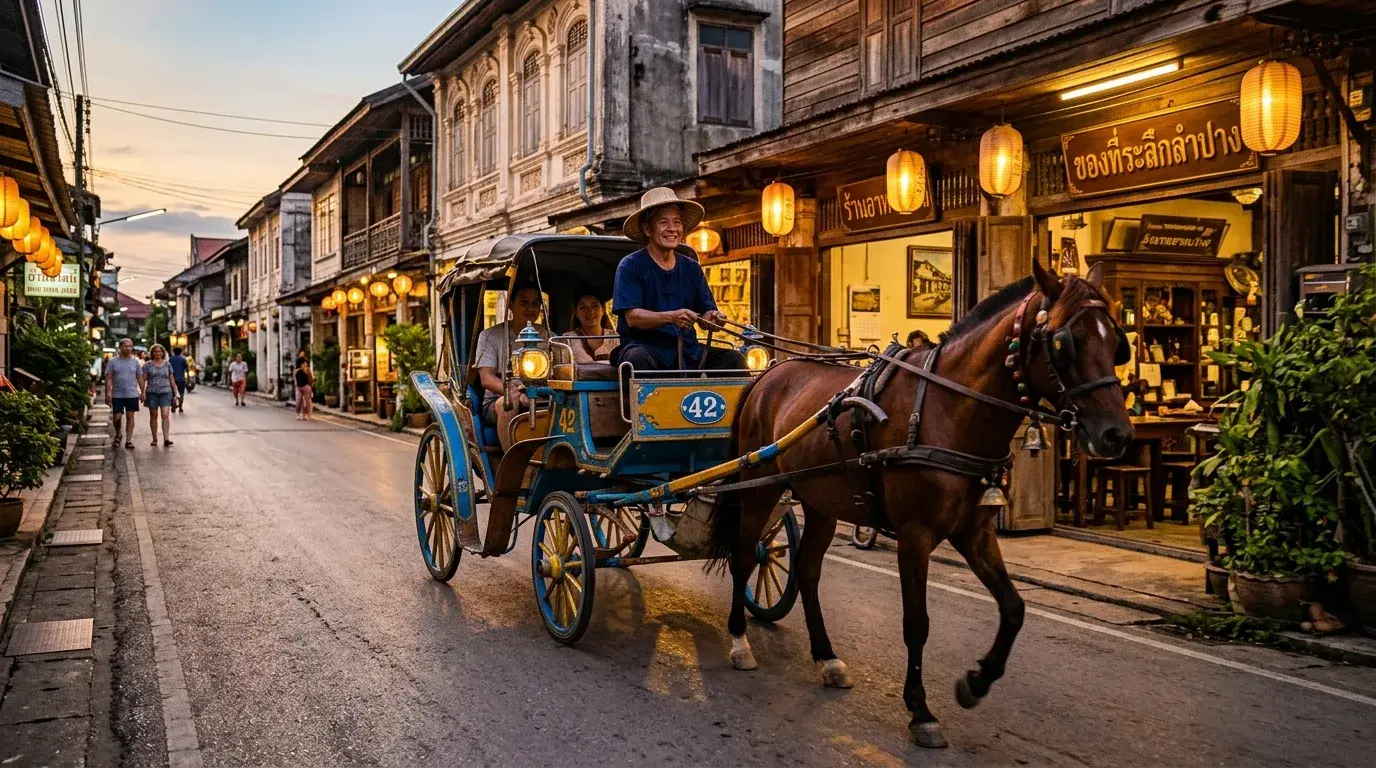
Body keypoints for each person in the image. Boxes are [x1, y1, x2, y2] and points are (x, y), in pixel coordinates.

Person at [612, 187, 745, 371]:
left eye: (677, 222)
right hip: (646, 349)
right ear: (647, 228)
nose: (672, 229)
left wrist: (713, 319)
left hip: (689, 352)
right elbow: (633, 318)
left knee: (733, 359)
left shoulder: (691, 268)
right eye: (663, 222)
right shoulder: (630, 265)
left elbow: (706, 314)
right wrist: (672, 317)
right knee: (637, 360)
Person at [474, 283, 548, 450]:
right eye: (524, 302)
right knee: (509, 402)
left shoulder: (547, 336)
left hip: (542, 396)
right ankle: (513, 464)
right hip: (499, 399)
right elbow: (486, 378)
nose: (531, 308)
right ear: (511, 305)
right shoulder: (490, 336)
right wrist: (514, 393)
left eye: (535, 303)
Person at [104, 338, 142, 449]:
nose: (128, 348)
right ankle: (118, 434)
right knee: (117, 417)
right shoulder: (112, 361)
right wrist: (108, 393)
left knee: (130, 417)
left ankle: (128, 440)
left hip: (132, 394)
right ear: (120, 347)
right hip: (117, 394)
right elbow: (109, 377)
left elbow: (139, 377)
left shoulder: (135, 362)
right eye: (126, 346)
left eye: (130, 346)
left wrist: (143, 391)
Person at [142, 344, 177, 447]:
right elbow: (143, 380)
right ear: (152, 353)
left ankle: (166, 438)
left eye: (160, 351)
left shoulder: (168, 364)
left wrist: (176, 393)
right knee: (154, 416)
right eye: (155, 352)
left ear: (163, 353)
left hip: (166, 392)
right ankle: (154, 439)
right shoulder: (147, 365)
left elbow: (171, 379)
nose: (158, 353)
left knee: (165, 414)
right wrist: (142, 392)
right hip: (152, 393)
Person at [568, 293, 617, 364]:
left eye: (595, 306)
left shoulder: (614, 337)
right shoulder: (568, 339)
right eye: (583, 307)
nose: (590, 311)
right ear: (576, 313)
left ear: (603, 310)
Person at [169, 346, 190, 413]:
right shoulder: (183, 359)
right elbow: (187, 369)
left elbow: (168, 370)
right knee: (181, 394)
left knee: (172, 394)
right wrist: (188, 377)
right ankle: (180, 408)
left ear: (173, 352)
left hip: (172, 379)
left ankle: (173, 406)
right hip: (181, 379)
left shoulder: (170, 359)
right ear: (181, 352)